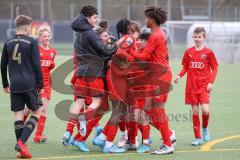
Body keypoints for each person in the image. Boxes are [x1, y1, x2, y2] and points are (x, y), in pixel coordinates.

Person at [63, 5, 118, 148]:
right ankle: (83, 119)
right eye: (94, 17)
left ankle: (69, 132)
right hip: (93, 74)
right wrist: (117, 45)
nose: (96, 20)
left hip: (80, 73)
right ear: (87, 18)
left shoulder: (79, 34)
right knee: (96, 103)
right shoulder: (90, 34)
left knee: (79, 103)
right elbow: (105, 51)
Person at [130, 6, 176, 155]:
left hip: (160, 76)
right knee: (148, 109)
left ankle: (168, 144)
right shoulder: (156, 34)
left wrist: (130, 48)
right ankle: (169, 135)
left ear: (152, 20)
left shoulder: (156, 35)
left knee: (157, 110)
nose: (145, 20)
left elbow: (144, 57)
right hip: (157, 75)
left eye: (147, 18)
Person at [1, 15, 43, 158]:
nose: (31, 29)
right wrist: (41, 84)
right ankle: (21, 143)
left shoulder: (7, 42)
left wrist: (5, 83)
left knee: (18, 114)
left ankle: (21, 151)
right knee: (37, 112)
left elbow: (2, 65)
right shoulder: (32, 41)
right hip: (29, 83)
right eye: (30, 26)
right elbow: (37, 65)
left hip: (15, 84)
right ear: (26, 27)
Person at [174, 27, 218, 146]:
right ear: (193, 37)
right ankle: (197, 137)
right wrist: (179, 76)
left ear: (204, 38)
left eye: (200, 37)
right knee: (194, 111)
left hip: (204, 86)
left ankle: (205, 128)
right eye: (195, 37)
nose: (197, 39)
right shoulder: (188, 52)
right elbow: (185, 67)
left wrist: (211, 82)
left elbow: (214, 68)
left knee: (205, 110)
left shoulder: (208, 52)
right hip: (191, 87)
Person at [33, 26, 57, 143]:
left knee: (43, 110)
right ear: (39, 38)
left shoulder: (53, 52)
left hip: (46, 84)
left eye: (48, 36)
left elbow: (50, 68)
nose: (47, 38)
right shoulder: (35, 50)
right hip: (34, 84)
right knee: (28, 110)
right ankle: (22, 132)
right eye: (44, 36)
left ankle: (38, 135)